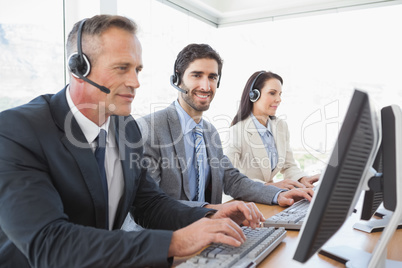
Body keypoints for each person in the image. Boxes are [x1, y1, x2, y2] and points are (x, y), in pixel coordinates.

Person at [0, 15, 265, 267]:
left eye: (137, 69)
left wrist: (209, 216)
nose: (135, 82)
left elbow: (149, 203)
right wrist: (173, 242)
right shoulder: (17, 131)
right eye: (122, 68)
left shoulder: (125, 127)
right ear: (79, 68)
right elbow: (49, 244)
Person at [137, 44, 314, 210]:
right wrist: (211, 211)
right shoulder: (149, 128)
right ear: (178, 78)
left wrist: (279, 195)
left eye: (212, 77)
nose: (206, 86)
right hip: (165, 238)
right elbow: (150, 204)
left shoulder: (209, 131)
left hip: (207, 232)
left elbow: (233, 180)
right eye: (197, 75)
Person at [225, 70, 320, 190]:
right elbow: (229, 176)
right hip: (243, 199)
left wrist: (302, 179)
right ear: (254, 95)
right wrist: (271, 186)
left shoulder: (281, 126)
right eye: (272, 93)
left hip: (270, 198)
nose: (279, 99)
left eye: (280, 94)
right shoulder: (237, 131)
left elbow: (288, 165)